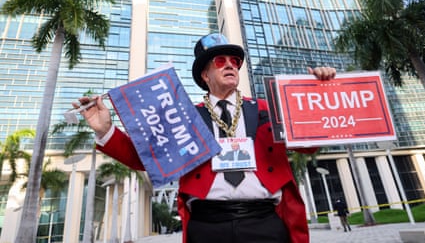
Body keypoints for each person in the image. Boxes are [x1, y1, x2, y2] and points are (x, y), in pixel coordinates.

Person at [74, 33, 336, 243]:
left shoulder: (269, 108)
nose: (231, 64)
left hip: (265, 222)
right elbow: (146, 157)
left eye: (235, 61)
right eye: (221, 61)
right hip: (207, 226)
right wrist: (105, 130)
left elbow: (309, 145)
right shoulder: (183, 116)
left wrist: (319, 94)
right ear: (205, 75)